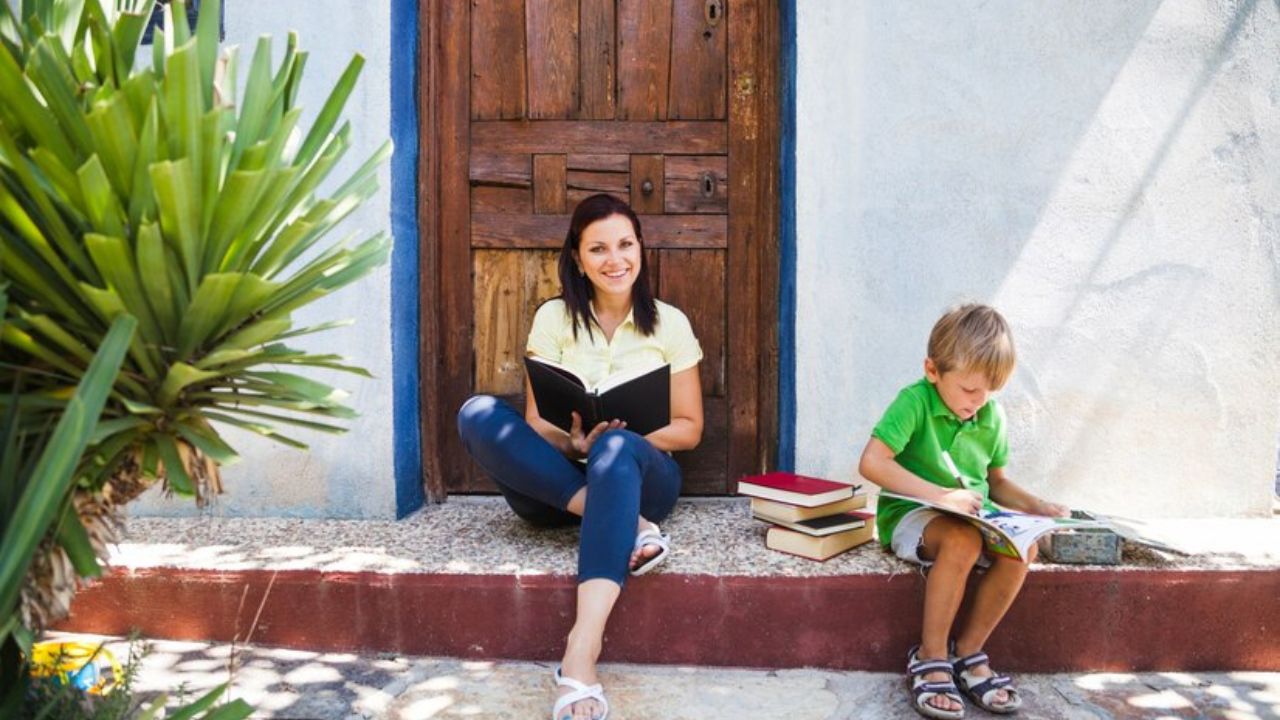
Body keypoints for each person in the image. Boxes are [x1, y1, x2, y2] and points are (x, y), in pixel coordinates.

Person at [456, 193, 704, 720]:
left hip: (644, 478)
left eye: (625, 245)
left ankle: (580, 655)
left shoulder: (669, 324)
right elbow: (535, 424)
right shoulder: (553, 318)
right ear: (577, 257)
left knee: (617, 446)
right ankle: (625, 522)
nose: (615, 260)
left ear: (641, 248)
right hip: (558, 485)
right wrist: (574, 444)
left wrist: (626, 438)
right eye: (599, 249)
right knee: (477, 413)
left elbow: (689, 429)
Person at [857, 304, 1068, 719]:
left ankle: (969, 650)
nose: (978, 401)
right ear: (933, 370)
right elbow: (872, 463)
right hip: (913, 514)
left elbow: (998, 482)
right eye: (969, 390)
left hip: (974, 514)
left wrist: (1038, 507)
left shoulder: (991, 415)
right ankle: (929, 656)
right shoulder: (914, 401)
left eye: (989, 390)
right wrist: (939, 495)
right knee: (961, 539)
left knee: (1022, 548)